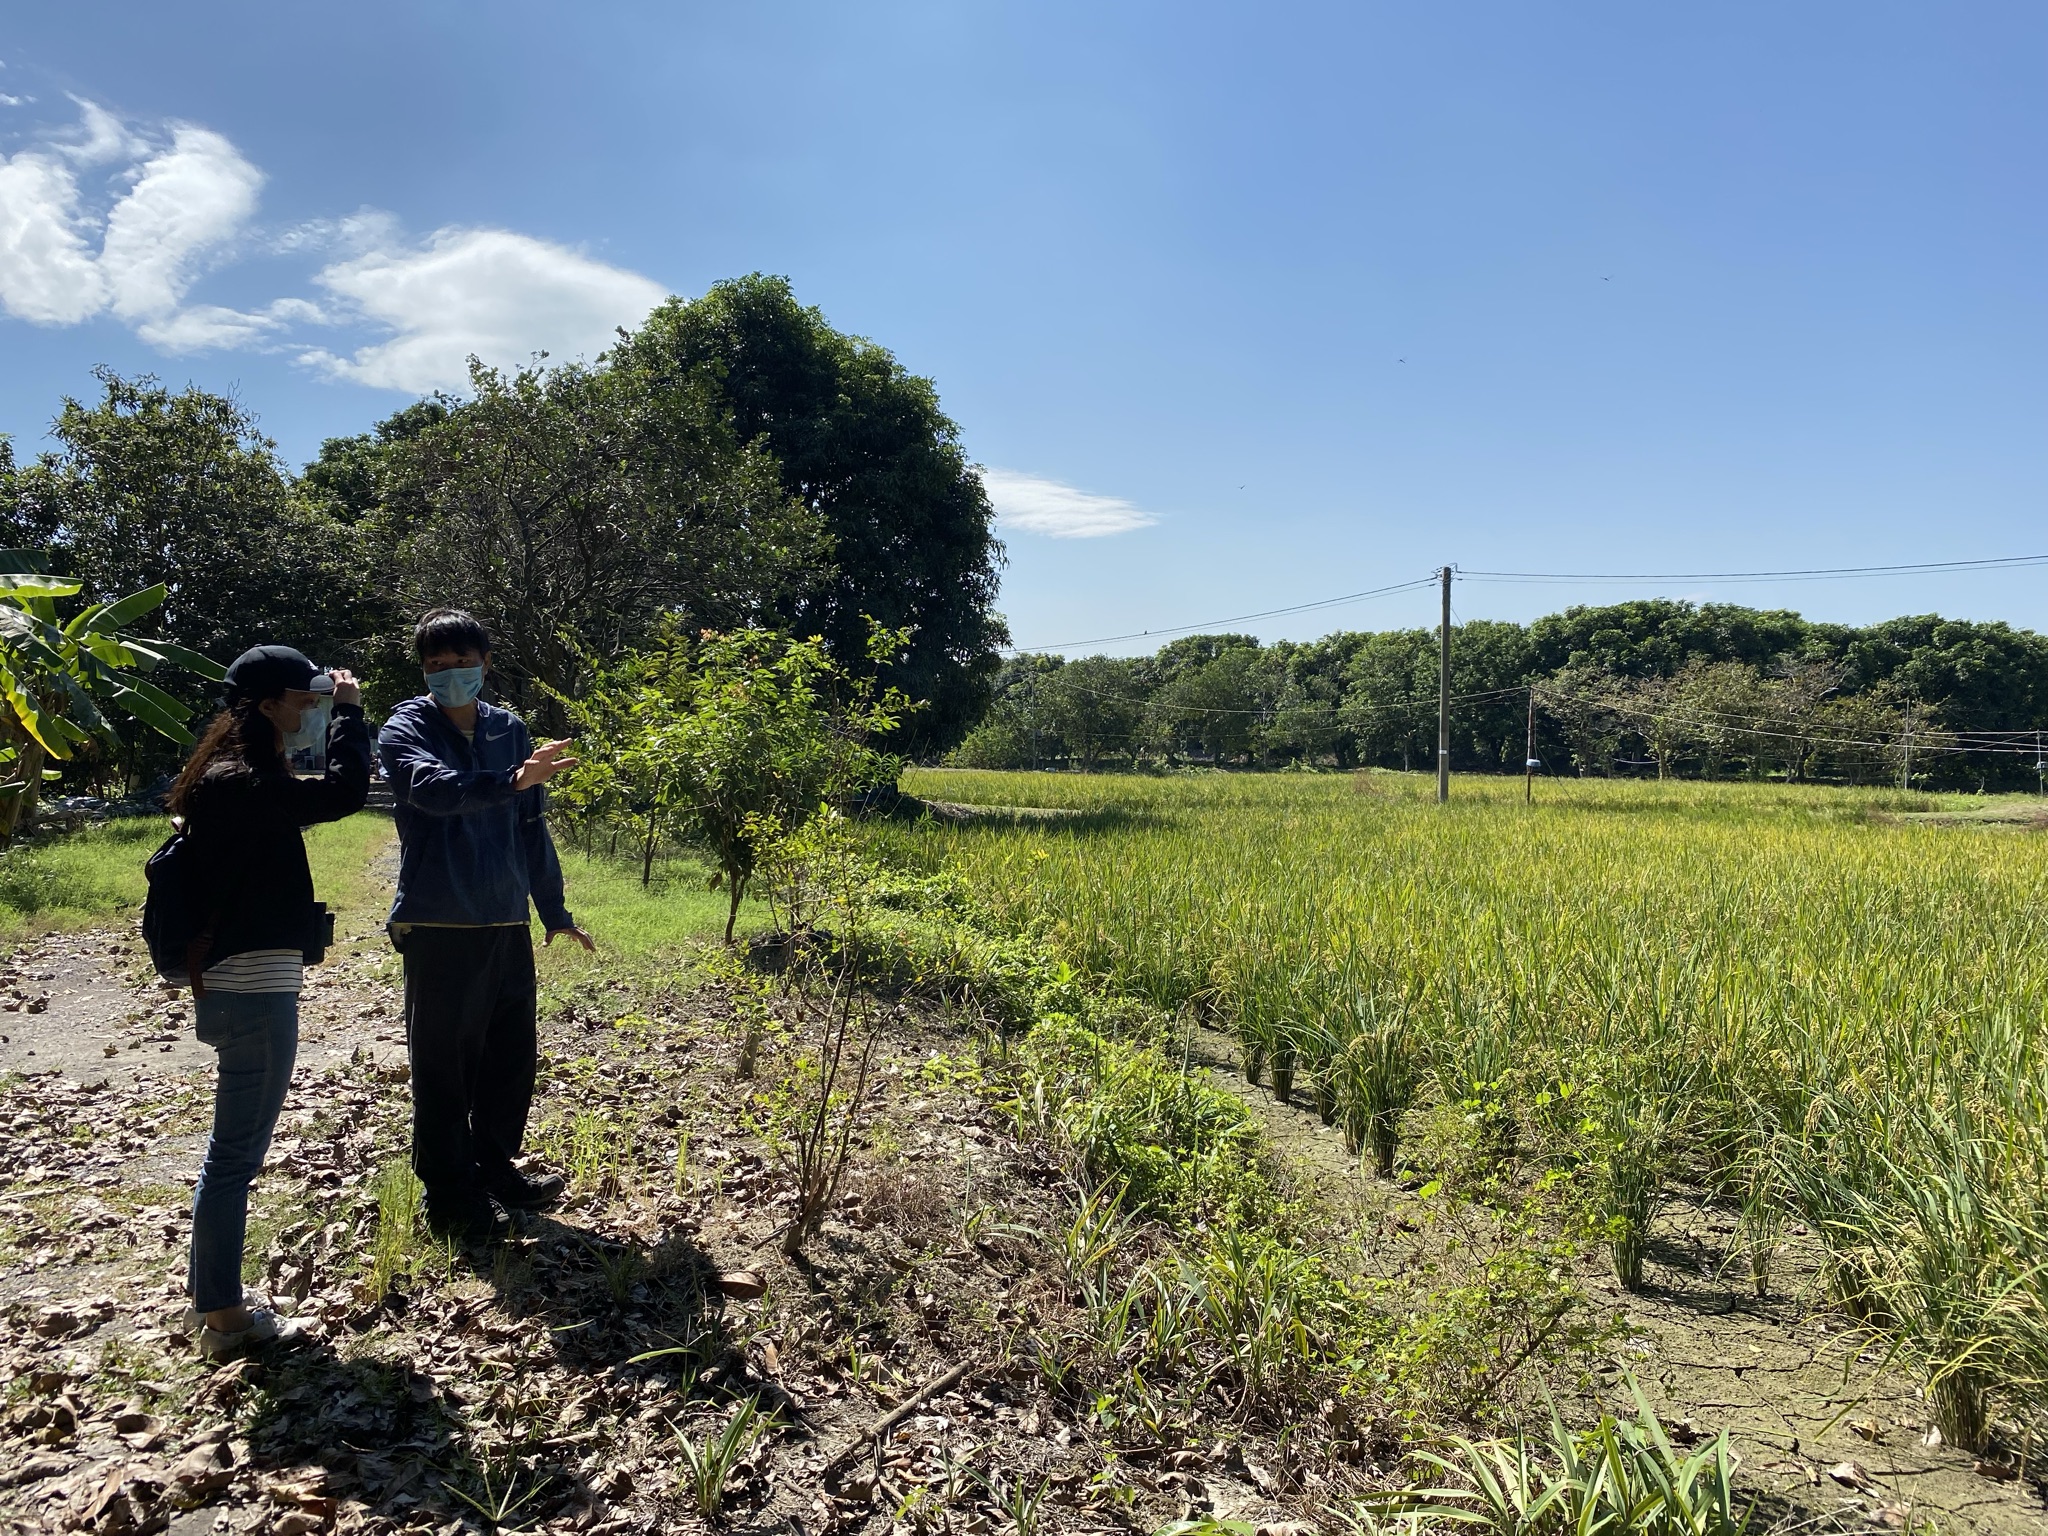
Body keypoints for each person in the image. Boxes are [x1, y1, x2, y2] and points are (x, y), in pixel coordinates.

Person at [172, 646, 370, 1358]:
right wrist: (351, 716)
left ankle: (215, 1300)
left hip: (242, 985)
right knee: (233, 1159)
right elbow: (344, 793)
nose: (311, 709)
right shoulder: (243, 782)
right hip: (253, 993)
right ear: (266, 706)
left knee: (230, 1155)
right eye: (305, 699)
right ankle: (224, 1318)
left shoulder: (228, 776)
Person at [378, 609, 592, 1243]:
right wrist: (514, 778)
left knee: (508, 1057)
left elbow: (530, 828)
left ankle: (494, 1166)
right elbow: (434, 790)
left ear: (486, 664)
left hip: (504, 919)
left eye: (461, 663)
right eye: (435, 667)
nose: (449, 676)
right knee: (444, 1063)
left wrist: (553, 912)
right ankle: (448, 1194)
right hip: (440, 920)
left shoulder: (509, 730)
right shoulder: (405, 726)